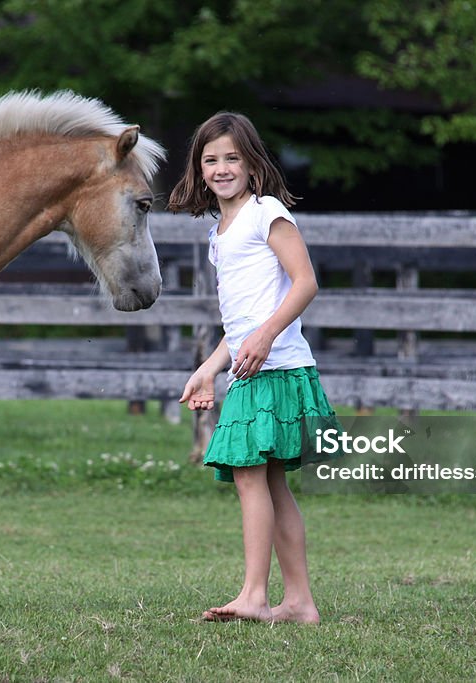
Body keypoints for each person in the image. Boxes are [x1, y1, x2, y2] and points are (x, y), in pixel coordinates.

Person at [168, 111, 340, 624]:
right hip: (252, 365)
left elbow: (305, 282)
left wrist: (265, 336)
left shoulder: (267, 212)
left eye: (231, 158)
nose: (221, 168)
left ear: (252, 164)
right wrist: (209, 368)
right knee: (269, 483)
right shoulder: (219, 233)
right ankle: (300, 603)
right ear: (199, 170)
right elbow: (240, 324)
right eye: (210, 159)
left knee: (249, 478)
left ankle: (254, 596)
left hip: (276, 367)